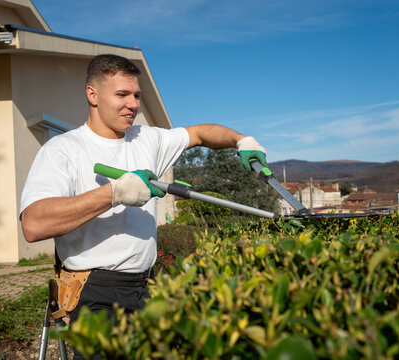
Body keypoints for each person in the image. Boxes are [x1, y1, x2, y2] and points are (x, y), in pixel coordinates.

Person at [20, 54, 267, 358]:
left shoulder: (147, 140)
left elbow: (202, 133)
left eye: (136, 95)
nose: (133, 104)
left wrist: (241, 140)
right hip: (93, 292)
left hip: (147, 285)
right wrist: (114, 193)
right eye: (122, 94)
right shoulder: (64, 150)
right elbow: (33, 224)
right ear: (92, 95)